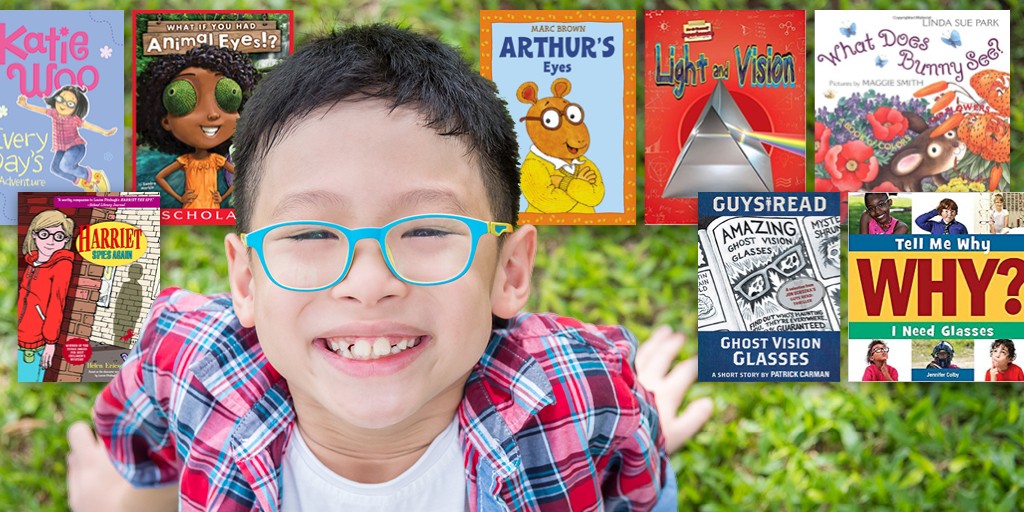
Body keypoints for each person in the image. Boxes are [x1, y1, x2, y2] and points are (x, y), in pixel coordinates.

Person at [67, 25, 709, 511]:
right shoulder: (181, 358)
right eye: (312, 230)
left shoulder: (586, 395)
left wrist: (633, 422)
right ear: (246, 281)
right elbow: (146, 447)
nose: (369, 285)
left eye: (428, 229)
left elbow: (638, 489)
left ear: (510, 272)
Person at [136, 45, 258, 209]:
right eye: (182, 98)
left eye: (228, 95)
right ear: (165, 120)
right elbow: (159, 178)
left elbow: (240, 178)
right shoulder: (148, 170)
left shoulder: (232, 160)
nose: (212, 114)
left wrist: (222, 196)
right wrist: (180, 197)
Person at [17, 85, 117, 192]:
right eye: (60, 99)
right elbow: (40, 110)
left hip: (76, 147)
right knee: (55, 169)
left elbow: (89, 126)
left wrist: (104, 131)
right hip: (62, 148)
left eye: (70, 104)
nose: (63, 105)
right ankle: (85, 183)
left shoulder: (74, 119)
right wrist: (26, 105)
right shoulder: (54, 113)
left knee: (65, 166)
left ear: (76, 107)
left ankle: (95, 176)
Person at [18, 210, 75, 382]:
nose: (50, 241)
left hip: (34, 342)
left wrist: (51, 343)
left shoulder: (62, 266)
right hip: (18, 333)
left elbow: (57, 304)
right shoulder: (32, 261)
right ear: (34, 235)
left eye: (58, 236)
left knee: (27, 381)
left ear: (66, 240)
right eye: (44, 234)